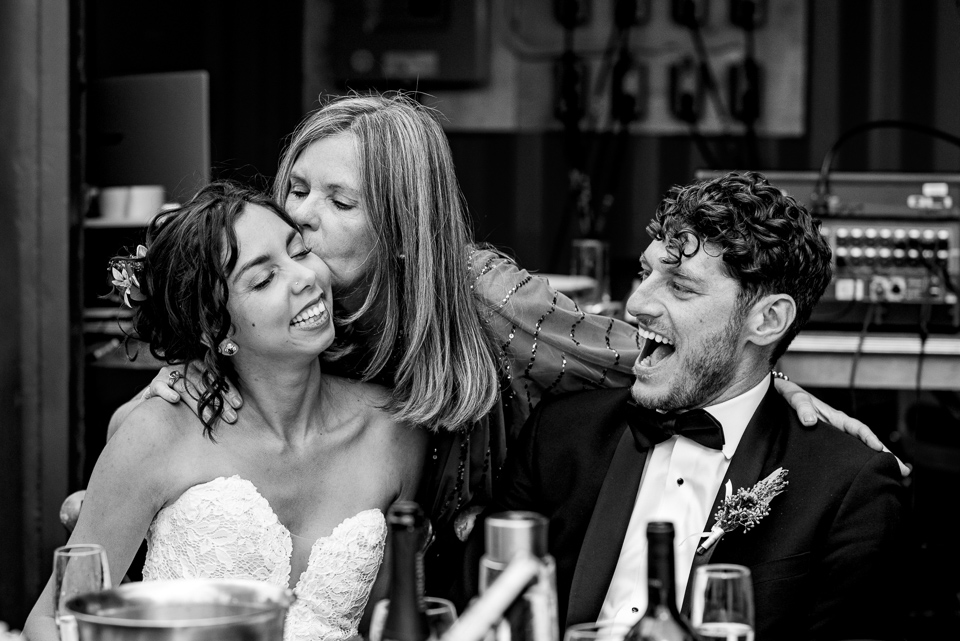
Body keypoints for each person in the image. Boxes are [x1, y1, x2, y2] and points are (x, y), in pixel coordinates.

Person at [114, 93, 897, 597]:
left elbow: (664, 350)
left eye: (339, 199)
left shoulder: (490, 299)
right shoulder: (290, 306)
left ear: (398, 223)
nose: (304, 216)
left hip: (471, 570)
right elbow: (212, 309)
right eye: (296, 189)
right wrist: (180, 374)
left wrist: (778, 385)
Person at [477, 172, 907, 640]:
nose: (635, 303)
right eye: (646, 273)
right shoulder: (558, 436)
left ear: (767, 320)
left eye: (680, 287)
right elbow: (480, 617)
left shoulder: (848, 487)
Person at [23, 182, 426, 641]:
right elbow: (54, 621)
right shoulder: (159, 433)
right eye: (263, 279)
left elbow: (390, 625)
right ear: (216, 329)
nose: (305, 278)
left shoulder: (395, 434)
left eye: (298, 251)